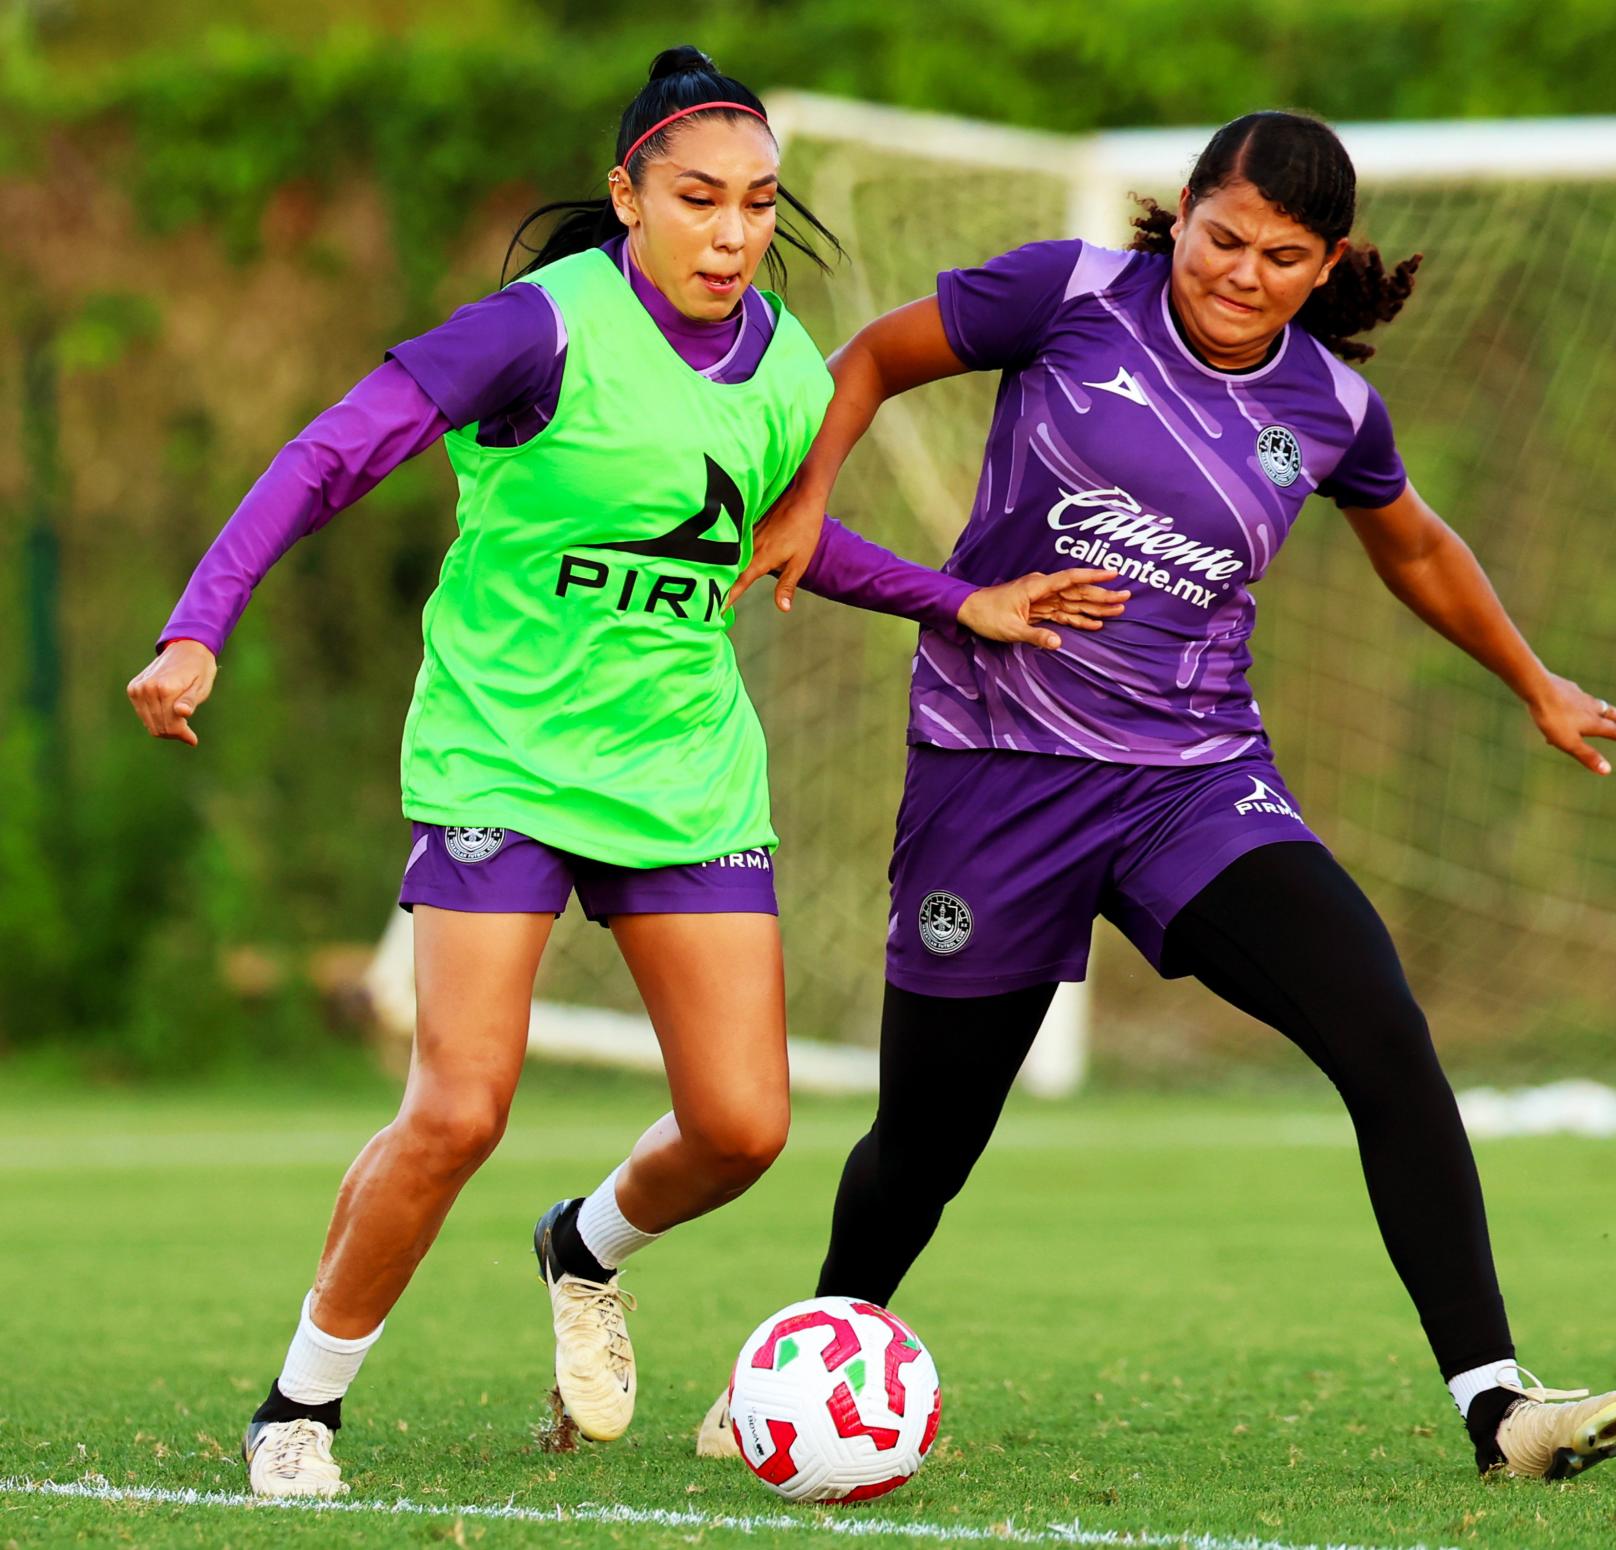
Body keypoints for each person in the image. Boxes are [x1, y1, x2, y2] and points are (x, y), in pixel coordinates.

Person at [124, 46, 1124, 1500]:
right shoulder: (538, 331)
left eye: (758, 205)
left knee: (743, 1126)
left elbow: (776, 543)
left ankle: (581, 1245)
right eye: (699, 199)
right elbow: (333, 451)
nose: (732, 233)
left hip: (684, 771)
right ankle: (301, 1404)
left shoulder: (784, 363)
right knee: (460, 1105)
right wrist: (199, 624)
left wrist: (951, 598)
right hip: (504, 753)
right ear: (627, 196)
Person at [710, 109, 1616, 1482]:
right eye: (1223, 237)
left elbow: (1420, 546)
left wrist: (1535, 680)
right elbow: (872, 358)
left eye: (1280, 255)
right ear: (1185, 213)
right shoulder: (1068, 295)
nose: (1241, 272)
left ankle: (1499, 1401)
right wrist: (807, 495)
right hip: (996, 772)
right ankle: (803, 1370)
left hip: (1194, 784)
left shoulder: (1327, 408)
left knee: (1381, 1025)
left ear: (1325, 265)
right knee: (929, 1136)